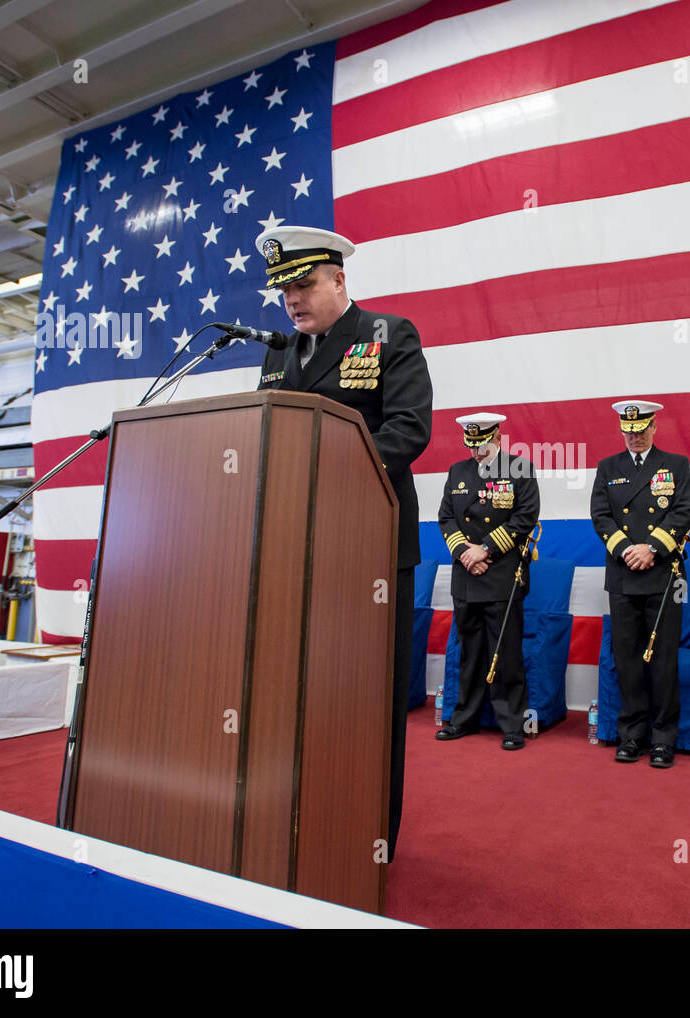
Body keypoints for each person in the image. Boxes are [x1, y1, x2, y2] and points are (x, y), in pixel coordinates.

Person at [254, 225, 434, 858]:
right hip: (295, 549)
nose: (293, 301)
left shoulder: (389, 336)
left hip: (369, 547)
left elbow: (408, 432)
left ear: (339, 280)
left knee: (368, 697)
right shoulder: (279, 351)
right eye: (284, 291)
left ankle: (371, 836)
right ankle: (304, 818)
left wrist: (321, 475)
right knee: (303, 691)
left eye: (304, 285)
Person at [589, 400, 690, 768]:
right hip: (622, 574)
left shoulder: (676, 465)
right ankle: (632, 735)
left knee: (663, 660)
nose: (634, 436)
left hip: (663, 575)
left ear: (654, 428)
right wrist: (626, 550)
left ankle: (664, 738)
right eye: (628, 431)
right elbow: (600, 516)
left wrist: (650, 548)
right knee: (627, 659)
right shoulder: (608, 468)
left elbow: (683, 512)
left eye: (641, 430)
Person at [436, 413, 540, 750]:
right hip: (466, 573)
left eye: (481, 445)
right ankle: (463, 718)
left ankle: (512, 724)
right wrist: (465, 553)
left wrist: (484, 550)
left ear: (497, 437)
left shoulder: (519, 469)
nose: (476, 453)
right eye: (471, 446)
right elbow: (446, 517)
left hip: (501, 573)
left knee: (506, 651)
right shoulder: (457, 472)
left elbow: (525, 517)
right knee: (469, 652)